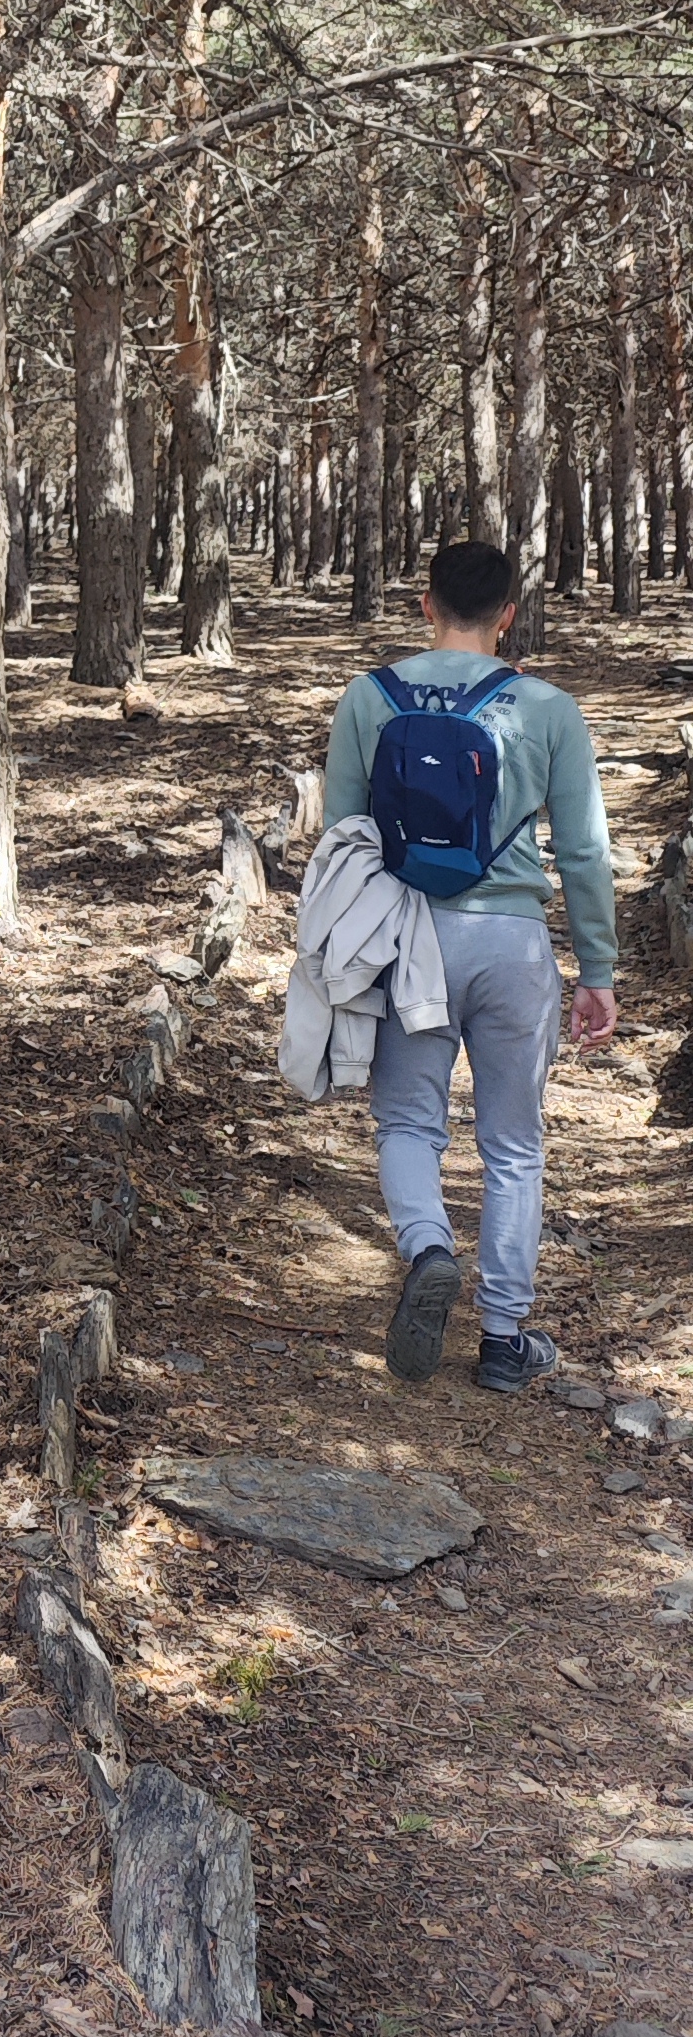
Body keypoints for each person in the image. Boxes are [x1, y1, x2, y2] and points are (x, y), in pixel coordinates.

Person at [322, 537, 617, 1394]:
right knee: (514, 1144)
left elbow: (344, 837)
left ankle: (426, 1250)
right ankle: (502, 1338)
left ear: (425, 604)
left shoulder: (367, 697)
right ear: (510, 613)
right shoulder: (550, 707)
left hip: (408, 938)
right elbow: (587, 853)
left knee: (409, 1123)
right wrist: (596, 968)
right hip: (514, 943)